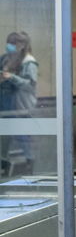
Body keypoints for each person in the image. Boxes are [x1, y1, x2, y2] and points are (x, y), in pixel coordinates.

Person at [0, 31, 38, 175]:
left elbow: (29, 85)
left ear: (21, 45)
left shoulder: (28, 62)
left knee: (23, 137)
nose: (9, 46)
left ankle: (29, 166)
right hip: (7, 105)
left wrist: (11, 77)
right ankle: (4, 165)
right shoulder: (6, 59)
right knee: (4, 137)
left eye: (12, 43)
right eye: (8, 42)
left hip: (21, 107)